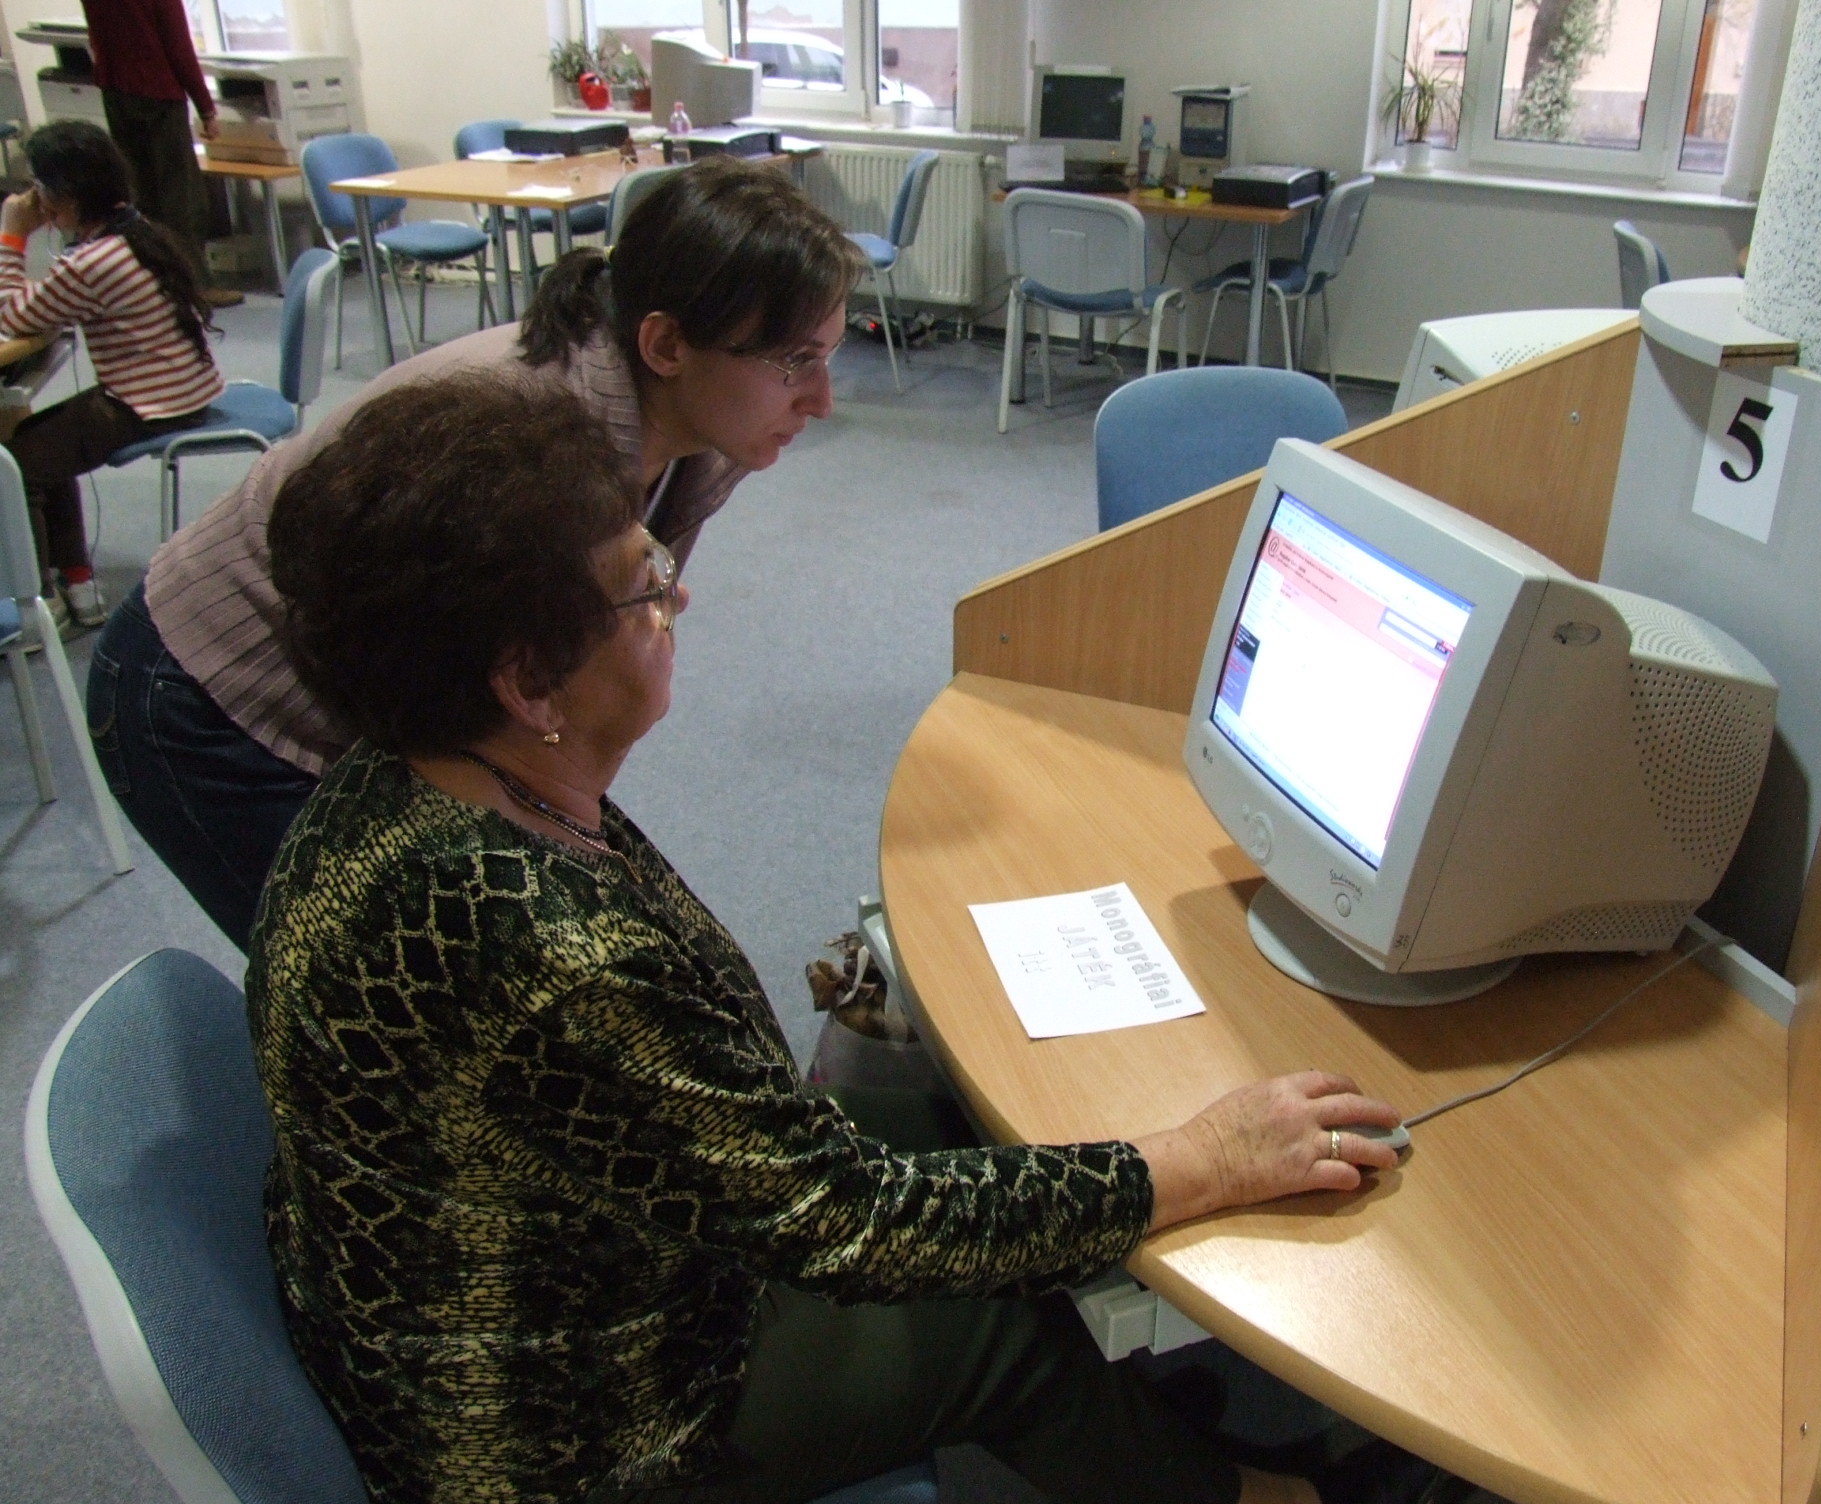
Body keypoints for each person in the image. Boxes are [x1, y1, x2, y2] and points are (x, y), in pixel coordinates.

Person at [249, 370, 1422, 1504]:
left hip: (492, 1283)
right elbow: (848, 1225)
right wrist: (1205, 1160)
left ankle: (1132, 1413)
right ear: (528, 686)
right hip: (567, 1431)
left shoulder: (398, 776)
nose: (675, 601)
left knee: (948, 1118)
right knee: (982, 1324)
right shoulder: (549, 950)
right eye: (642, 585)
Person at [88, 156, 853, 950]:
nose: (823, 400)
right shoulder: (533, 442)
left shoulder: (706, 428)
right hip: (209, 688)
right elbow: (463, 708)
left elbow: (582, 678)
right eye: (794, 361)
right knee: (365, 973)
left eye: (829, 355)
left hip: (374, 686)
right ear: (665, 343)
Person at [1, 120, 223, 629]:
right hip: (181, 390)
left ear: (66, 195)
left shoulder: (92, 262)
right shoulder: (136, 230)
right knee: (39, 440)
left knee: (16, 468)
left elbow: (13, 316)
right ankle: (79, 584)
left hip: (148, 406)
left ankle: (38, 606)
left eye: (39, 186)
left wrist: (12, 235)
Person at [75, 0, 242, 306]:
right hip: (159, 93)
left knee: (139, 194)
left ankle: (155, 281)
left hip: (116, 93)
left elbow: (97, 37)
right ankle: (195, 284)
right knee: (182, 197)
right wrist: (206, 108)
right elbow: (178, 45)